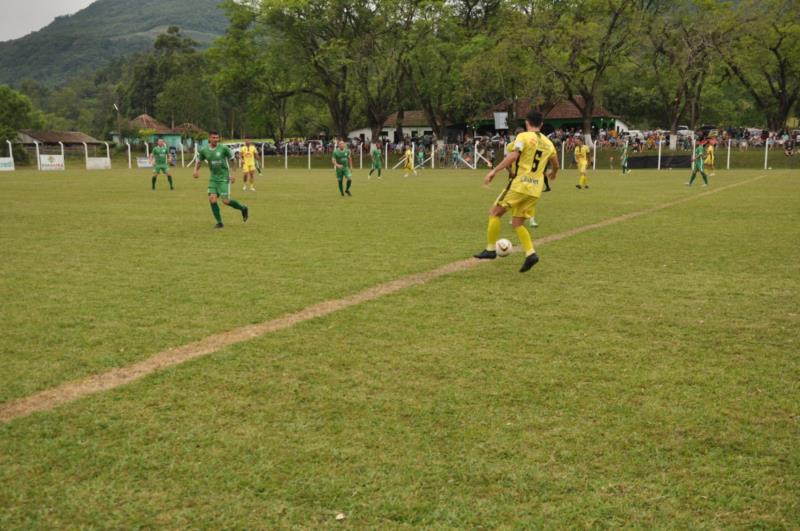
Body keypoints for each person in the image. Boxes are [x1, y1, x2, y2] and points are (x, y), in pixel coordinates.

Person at [474, 110, 558, 273]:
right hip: (535, 189)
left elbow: (513, 156)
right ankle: (530, 253)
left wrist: (494, 171)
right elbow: (555, 164)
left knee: (494, 213)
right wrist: (553, 173)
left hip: (520, 184)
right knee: (517, 223)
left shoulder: (523, 137)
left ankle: (490, 250)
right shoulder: (549, 143)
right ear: (541, 124)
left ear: (527, 123)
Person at [193, 131, 249, 229]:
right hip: (213, 178)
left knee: (226, 201)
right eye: (213, 138)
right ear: (209, 139)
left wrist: (233, 174)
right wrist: (195, 171)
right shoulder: (204, 150)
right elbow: (199, 160)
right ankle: (219, 222)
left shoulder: (223, 148)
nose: (215, 140)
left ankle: (243, 208)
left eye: (217, 138)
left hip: (224, 178)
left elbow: (233, 160)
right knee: (212, 199)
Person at [506, 128, 538, 228]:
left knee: (530, 197)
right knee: (515, 199)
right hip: (516, 175)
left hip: (529, 175)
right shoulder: (510, 146)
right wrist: (510, 172)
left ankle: (532, 219)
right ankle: (513, 217)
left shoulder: (531, 145)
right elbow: (507, 160)